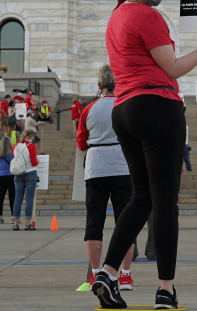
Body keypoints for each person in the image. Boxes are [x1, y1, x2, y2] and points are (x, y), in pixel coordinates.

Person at [93, 0, 197, 309]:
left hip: (124, 110)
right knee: (165, 202)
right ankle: (166, 289)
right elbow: (172, 68)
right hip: (156, 106)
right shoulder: (147, 15)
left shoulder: (116, 16)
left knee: (143, 198)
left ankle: (106, 272)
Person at [78, 65, 137, 291]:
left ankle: (94, 274)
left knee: (95, 222)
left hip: (96, 168)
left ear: (99, 86)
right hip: (123, 166)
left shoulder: (89, 109)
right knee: (126, 221)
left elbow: (81, 142)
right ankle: (125, 276)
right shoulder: (127, 106)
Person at [12, 130, 39, 231]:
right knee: (29, 198)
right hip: (30, 172)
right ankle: (27, 224)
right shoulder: (31, 146)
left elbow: (14, 158)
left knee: (18, 197)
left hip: (18, 173)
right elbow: (34, 162)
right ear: (30, 136)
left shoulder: (15, 146)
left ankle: (15, 223)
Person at [0, 136, 15, 225]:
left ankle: (0, 217)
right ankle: (13, 217)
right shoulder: (12, 155)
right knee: (12, 197)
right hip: (11, 176)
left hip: (1, 176)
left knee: (0, 197)